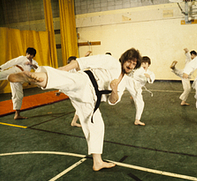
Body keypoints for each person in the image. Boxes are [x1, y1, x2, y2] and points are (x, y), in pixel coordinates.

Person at [8, 48, 142, 172]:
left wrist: (114, 89)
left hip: (91, 99)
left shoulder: (124, 81)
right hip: (86, 81)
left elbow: (113, 101)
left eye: (134, 64)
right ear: (124, 59)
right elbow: (83, 62)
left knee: (98, 126)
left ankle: (98, 162)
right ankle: (36, 78)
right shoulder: (111, 61)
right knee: (67, 80)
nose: (131, 65)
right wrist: (62, 69)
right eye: (129, 61)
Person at [0, 47, 38, 119]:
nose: (29, 56)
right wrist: (1, 67)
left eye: (31, 55)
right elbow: (12, 62)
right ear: (26, 53)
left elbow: (38, 69)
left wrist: (31, 64)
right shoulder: (22, 58)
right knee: (2, 74)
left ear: (33, 55)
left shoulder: (33, 62)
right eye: (28, 54)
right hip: (15, 71)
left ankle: (17, 115)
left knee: (18, 95)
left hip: (19, 78)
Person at [129, 56, 155, 126]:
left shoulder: (150, 73)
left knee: (141, 103)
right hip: (130, 83)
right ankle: (137, 120)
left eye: (145, 63)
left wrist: (149, 76)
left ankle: (137, 119)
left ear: (149, 64)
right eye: (142, 63)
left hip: (136, 87)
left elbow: (152, 80)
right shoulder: (138, 70)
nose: (143, 65)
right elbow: (135, 74)